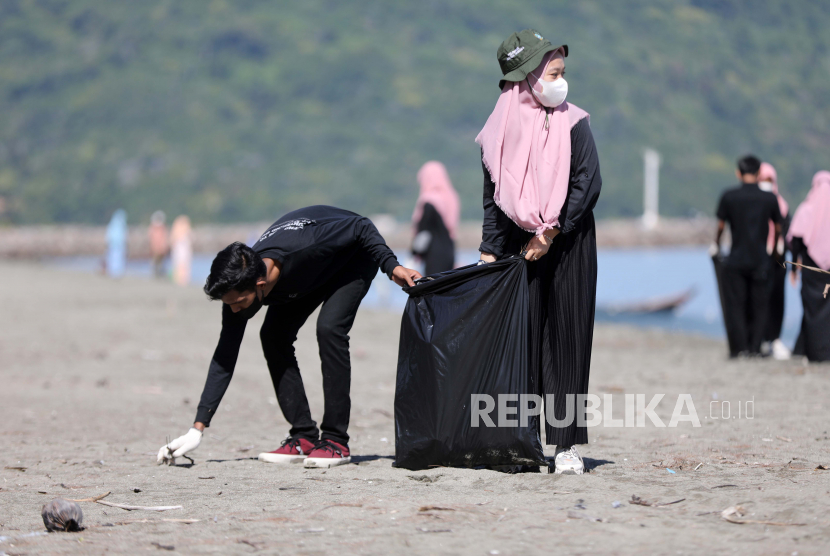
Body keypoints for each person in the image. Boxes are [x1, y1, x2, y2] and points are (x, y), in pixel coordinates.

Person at [157, 206, 421, 468]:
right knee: (273, 336)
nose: (235, 309)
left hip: (352, 257)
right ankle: (303, 436)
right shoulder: (239, 288)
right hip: (308, 274)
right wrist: (197, 429)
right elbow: (225, 356)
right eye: (230, 304)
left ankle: (336, 442)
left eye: (239, 302)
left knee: (329, 329)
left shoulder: (302, 247)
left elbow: (362, 226)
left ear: (260, 285)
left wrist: (391, 266)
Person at [477, 30, 602, 475]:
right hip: (518, 247)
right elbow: (493, 198)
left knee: (567, 340)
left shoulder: (576, 121)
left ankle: (567, 445)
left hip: (569, 243)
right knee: (523, 342)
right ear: (527, 78)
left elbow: (588, 183)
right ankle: (523, 438)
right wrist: (489, 254)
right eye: (553, 73)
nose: (561, 81)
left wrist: (550, 232)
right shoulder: (497, 131)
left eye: (562, 73)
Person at [715, 155, 783, 357]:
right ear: (759, 173)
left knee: (736, 305)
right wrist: (775, 249)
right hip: (761, 259)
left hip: (736, 258)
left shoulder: (729, 196)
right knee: (760, 305)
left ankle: (739, 348)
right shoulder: (769, 198)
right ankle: (755, 347)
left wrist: (716, 244)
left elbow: (720, 226)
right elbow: (778, 227)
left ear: (738, 173)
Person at [787, 171, 830, 362]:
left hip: (811, 271)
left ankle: (812, 352)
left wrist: (795, 267)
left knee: (811, 308)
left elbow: (796, 240)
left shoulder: (806, 209)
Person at [757, 163, 791, 360]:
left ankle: (774, 338)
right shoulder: (756, 204)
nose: (766, 184)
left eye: (769, 180)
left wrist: (779, 245)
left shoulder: (782, 205)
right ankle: (759, 338)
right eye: (762, 180)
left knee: (777, 299)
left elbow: (786, 230)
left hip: (778, 261)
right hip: (759, 259)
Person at [411, 161, 460, 275]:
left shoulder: (429, 201)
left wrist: (413, 252)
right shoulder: (451, 196)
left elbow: (423, 229)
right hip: (449, 249)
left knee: (433, 286)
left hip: (433, 253)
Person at [170, 215, 192, 286]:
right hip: (181, 248)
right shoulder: (184, 229)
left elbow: (172, 239)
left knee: (180, 264)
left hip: (179, 248)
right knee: (182, 264)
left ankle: (180, 280)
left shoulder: (176, 228)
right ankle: (182, 280)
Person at [105, 209, 127, 278]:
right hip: (113, 245)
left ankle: (118, 272)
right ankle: (113, 272)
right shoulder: (114, 225)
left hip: (119, 245)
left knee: (118, 258)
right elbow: (108, 235)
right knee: (113, 258)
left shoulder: (121, 225)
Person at [148, 210, 169, 279]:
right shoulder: (157, 228)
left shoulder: (157, 227)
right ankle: (157, 275)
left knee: (159, 262)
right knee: (157, 262)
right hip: (157, 248)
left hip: (158, 248)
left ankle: (159, 274)